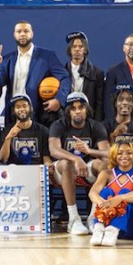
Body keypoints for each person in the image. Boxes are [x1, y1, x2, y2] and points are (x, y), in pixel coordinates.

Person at [48, 92, 109, 235]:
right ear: (68, 111)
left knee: (105, 166)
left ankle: (94, 216)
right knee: (67, 163)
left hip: (86, 169)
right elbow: (54, 150)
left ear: (86, 109)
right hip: (62, 170)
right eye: (73, 108)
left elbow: (107, 153)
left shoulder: (96, 126)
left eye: (81, 107)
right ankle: (73, 218)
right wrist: (76, 159)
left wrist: (88, 151)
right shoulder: (58, 125)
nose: (77, 111)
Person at [0, 20, 70, 127]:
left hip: (39, 114)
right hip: (14, 114)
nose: (22, 34)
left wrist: (59, 100)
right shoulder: (7, 59)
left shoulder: (47, 56)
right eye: (19, 31)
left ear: (32, 34)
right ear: (14, 35)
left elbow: (65, 78)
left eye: (26, 31)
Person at [89, 142, 133, 246]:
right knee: (106, 192)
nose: (124, 156)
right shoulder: (106, 173)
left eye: (129, 153)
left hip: (130, 227)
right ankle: (98, 228)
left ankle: (112, 231)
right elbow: (92, 193)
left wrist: (119, 198)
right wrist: (103, 203)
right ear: (114, 155)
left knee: (125, 192)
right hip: (106, 222)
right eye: (120, 153)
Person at [0, 95, 50, 166]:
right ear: (13, 111)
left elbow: (46, 157)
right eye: (18, 107)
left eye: (24, 106)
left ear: (30, 108)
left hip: (36, 169)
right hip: (15, 169)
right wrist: (8, 138)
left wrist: (48, 166)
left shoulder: (43, 130)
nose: (21, 109)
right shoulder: (7, 130)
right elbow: (3, 159)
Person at [64, 31, 105, 121]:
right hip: (66, 120)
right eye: (74, 46)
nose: (77, 49)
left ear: (85, 49)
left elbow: (99, 104)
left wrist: (97, 124)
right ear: (69, 50)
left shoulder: (97, 73)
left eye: (80, 46)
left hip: (89, 121)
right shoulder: (61, 72)